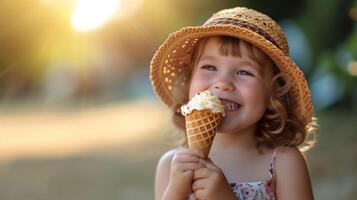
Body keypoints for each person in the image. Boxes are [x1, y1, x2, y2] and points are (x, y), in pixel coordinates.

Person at [150, 6, 317, 200]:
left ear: (274, 93)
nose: (222, 83)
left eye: (244, 72)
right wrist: (176, 192)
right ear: (189, 80)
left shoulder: (285, 163)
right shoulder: (171, 166)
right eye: (209, 67)